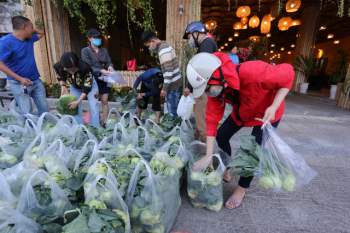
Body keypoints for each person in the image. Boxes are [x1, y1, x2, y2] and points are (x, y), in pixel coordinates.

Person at [186, 52, 294, 209]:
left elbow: (288, 74)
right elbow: (211, 122)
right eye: (205, 90)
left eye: (208, 88)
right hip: (244, 112)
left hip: (266, 114)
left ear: (218, 75)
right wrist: (208, 156)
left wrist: (274, 106)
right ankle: (227, 167)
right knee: (222, 135)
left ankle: (242, 188)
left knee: (252, 150)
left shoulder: (252, 71)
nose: (208, 93)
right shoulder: (217, 91)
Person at [0, 16, 48, 115]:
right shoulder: (6, 42)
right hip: (18, 84)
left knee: (45, 111)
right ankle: (29, 127)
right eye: (31, 27)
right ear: (23, 27)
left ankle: (45, 129)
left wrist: (31, 29)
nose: (33, 29)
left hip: (35, 80)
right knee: (27, 113)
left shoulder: (29, 39)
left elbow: (42, 33)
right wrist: (20, 79)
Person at [182, 21, 218, 142]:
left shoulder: (207, 44)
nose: (189, 40)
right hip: (203, 88)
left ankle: (205, 150)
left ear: (197, 33)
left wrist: (190, 87)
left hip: (205, 88)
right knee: (200, 117)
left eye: (189, 36)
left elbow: (201, 70)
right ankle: (200, 141)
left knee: (202, 120)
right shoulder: (206, 44)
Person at [141, 31, 181, 117]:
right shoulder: (164, 45)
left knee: (172, 114)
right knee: (174, 110)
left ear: (152, 41)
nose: (149, 48)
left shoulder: (163, 50)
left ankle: (174, 129)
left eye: (148, 46)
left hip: (172, 85)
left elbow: (169, 71)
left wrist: (164, 89)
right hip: (175, 83)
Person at [53, 52, 100, 128]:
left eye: (73, 69)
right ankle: (78, 129)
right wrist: (63, 86)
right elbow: (60, 76)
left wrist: (78, 101)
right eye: (69, 69)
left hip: (90, 86)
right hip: (75, 86)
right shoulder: (59, 67)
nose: (72, 72)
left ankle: (95, 129)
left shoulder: (86, 68)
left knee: (93, 106)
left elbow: (87, 88)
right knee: (75, 108)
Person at [81, 28, 114, 126]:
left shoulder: (104, 50)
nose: (98, 39)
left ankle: (104, 122)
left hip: (105, 78)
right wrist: (100, 70)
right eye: (95, 37)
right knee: (94, 101)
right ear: (90, 38)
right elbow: (87, 66)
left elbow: (109, 61)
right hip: (93, 79)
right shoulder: (85, 51)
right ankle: (94, 122)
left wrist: (110, 67)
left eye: (98, 37)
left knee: (105, 100)